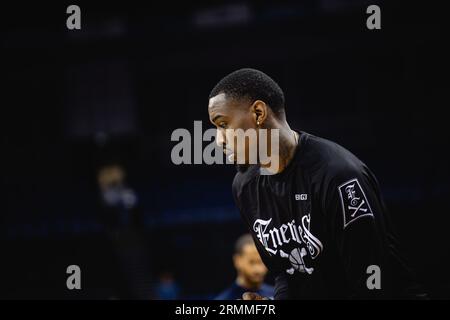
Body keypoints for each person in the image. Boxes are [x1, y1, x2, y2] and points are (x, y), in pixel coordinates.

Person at [207, 68, 426, 299]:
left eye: (223, 124)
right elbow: (287, 274)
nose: (219, 140)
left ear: (259, 113)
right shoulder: (245, 186)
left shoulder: (338, 176)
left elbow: (372, 285)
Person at [215, 234, 274, 300]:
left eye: (261, 262)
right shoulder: (224, 298)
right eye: (252, 262)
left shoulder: (276, 294)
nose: (258, 269)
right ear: (237, 260)